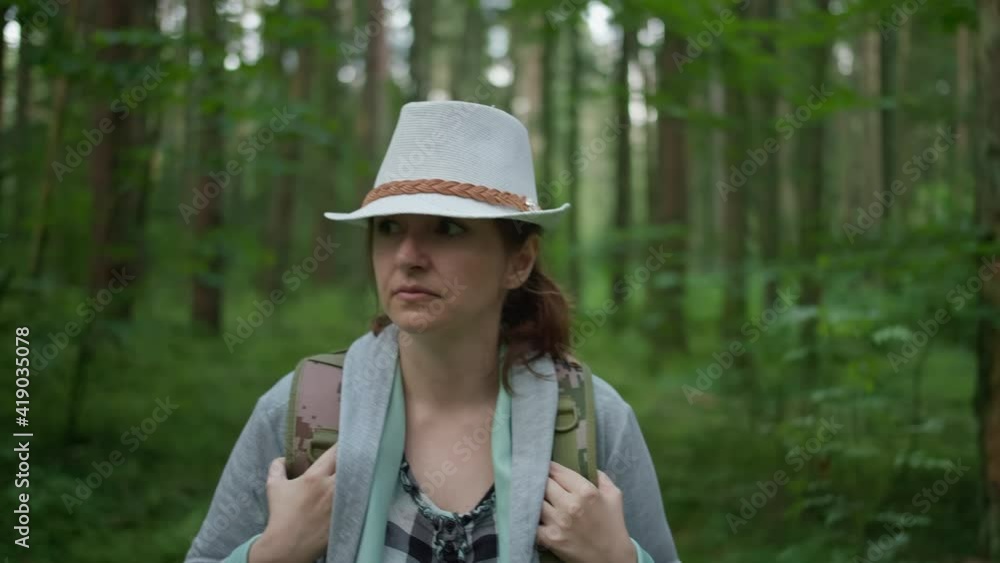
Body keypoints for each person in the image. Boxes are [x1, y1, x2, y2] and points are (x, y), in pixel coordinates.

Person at [184, 100, 681, 563]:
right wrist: (270, 553)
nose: (407, 256)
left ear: (519, 261)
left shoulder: (593, 423)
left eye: (447, 228)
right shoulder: (304, 411)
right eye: (389, 227)